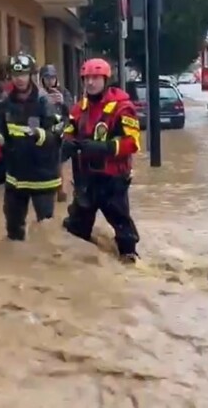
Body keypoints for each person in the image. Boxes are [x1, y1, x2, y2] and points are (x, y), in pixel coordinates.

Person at [61, 58, 142, 264]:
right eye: (86, 78)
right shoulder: (78, 109)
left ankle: (130, 261)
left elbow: (132, 142)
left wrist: (105, 148)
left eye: (95, 78)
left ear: (106, 80)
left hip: (112, 180)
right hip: (86, 180)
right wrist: (67, 143)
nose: (90, 82)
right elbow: (69, 131)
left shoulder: (122, 108)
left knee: (123, 228)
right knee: (75, 228)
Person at [0, 54, 63, 241]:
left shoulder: (44, 102)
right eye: (15, 75)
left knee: (47, 232)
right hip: (16, 176)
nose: (19, 79)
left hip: (43, 176)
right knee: (13, 230)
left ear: (31, 75)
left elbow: (58, 134)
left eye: (23, 74)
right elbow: (1, 130)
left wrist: (40, 135)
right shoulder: (5, 104)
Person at [39, 64, 74, 202]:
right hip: (45, 132)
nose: (50, 81)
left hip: (62, 130)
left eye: (52, 78)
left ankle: (62, 190)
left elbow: (73, 112)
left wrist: (63, 102)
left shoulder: (64, 93)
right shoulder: (38, 94)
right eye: (47, 78)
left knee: (62, 160)